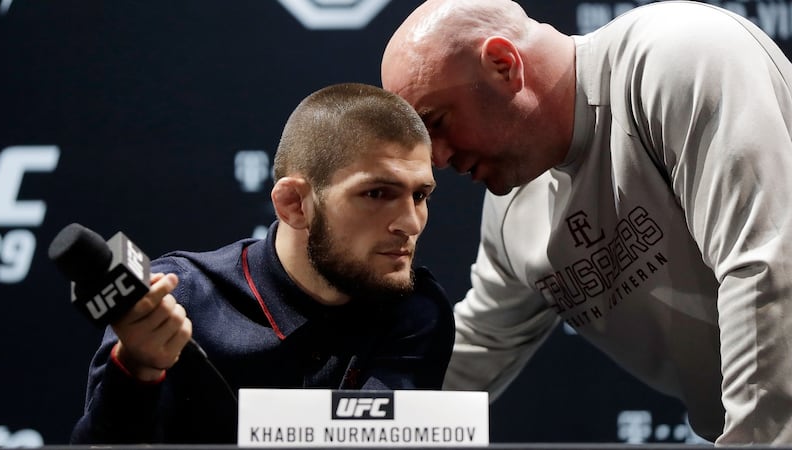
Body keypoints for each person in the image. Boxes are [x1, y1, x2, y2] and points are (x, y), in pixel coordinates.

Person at [381, 0, 792, 444]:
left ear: (503, 64)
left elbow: (767, 263)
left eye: (437, 123)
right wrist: (328, 422)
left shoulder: (679, 55)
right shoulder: (513, 208)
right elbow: (475, 353)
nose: (437, 160)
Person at [69, 82, 455, 444]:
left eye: (420, 195)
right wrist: (137, 369)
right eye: (376, 193)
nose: (410, 222)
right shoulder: (176, 299)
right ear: (294, 204)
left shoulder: (416, 311)